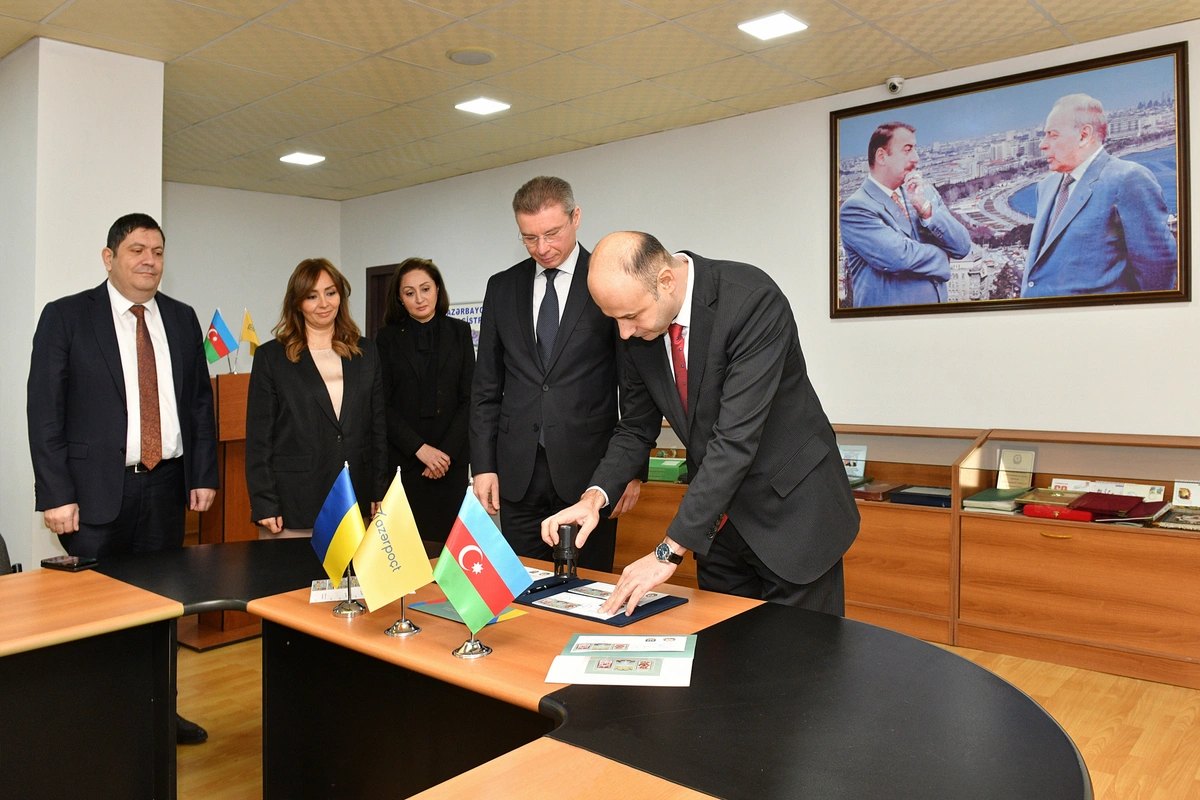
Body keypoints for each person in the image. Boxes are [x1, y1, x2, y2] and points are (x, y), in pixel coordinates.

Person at [542, 232, 860, 617]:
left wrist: (667, 551)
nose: (624, 332)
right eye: (615, 320)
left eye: (630, 317)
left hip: (792, 514)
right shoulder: (638, 325)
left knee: (802, 649)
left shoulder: (751, 300)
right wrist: (593, 499)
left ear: (666, 281)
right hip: (717, 525)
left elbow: (735, 440)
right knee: (725, 644)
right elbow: (636, 427)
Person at [27, 212, 219, 745]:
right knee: (94, 615)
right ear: (109, 257)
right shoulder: (66, 316)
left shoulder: (181, 318)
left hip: (166, 487)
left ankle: (159, 715)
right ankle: (94, 725)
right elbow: (44, 412)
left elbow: (199, 404)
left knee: (161, 610)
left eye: (157, 252)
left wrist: (203, 473)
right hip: (93, 496)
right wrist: (56, 493)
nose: (149, 261)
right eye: (137, 250)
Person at [470, 176, 643, 571]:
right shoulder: (502, 288)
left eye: (552, 233)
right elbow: (486, 386)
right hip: (517, 473)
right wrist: (483, 465)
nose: (543, 248)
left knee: (588, 586)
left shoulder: (608, 280)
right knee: (521, 584)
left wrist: (630, 474)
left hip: (591, 473)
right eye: (529, 238)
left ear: (575, 217)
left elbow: (632, 385)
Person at [245, 258, 387, 538]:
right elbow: (259, 439)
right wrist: (264, 502)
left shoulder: (366, 352)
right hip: (294, 505)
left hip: (354, 500)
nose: (324, 303)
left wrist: (379, 490)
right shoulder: (272, 357)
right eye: (312, 296)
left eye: (330, 293)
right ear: (297, 303)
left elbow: (378, 428)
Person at [1022, 94, 1177, 298]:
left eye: (1053, 135)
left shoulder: (1127, 179)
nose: (1042, 144)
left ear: (1084, 135)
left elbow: (1158, 271)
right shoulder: (1045, 187)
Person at [375, 258, 475, 544]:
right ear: (399, 298)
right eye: (409, 293)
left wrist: (444, 455)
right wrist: (420, 449)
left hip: (451, 463)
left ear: (437, 289)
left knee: (450, 550)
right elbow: (381, 404)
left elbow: (469, 399)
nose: (419, 298)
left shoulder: (460, 332)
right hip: (406, 461)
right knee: (405, 549)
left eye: (425, 289)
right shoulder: (386, 338)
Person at [840, 122, 972, 307]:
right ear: (881, 156)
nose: (916, 158)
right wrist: (942, 256)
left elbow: (962, 246)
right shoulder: (856, 208)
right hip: (891, 321)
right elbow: (899, 257)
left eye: (915, 149)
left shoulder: (925, 193)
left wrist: (926, 210)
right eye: (907, 150)